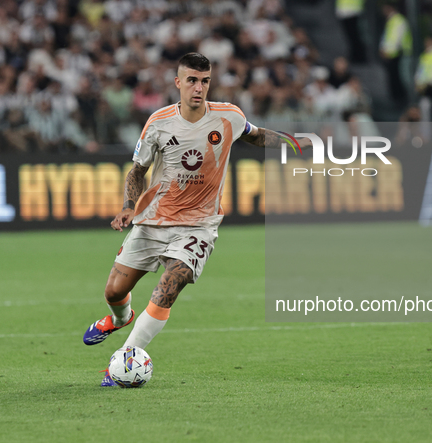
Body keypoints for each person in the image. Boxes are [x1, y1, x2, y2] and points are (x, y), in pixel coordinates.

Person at [82, 53, 309, 386]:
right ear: (178, 83)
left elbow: (257, 135)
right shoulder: (158, 123)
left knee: (173, 281)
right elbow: (137, 171)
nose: (198, 88)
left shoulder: (228, 116)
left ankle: (124, 359)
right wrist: (129, 205)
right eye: (191, 80)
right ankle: (121, 318)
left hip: (199, 225)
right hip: (154, 220)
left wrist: (293, 143)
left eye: (205, 81)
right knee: (114, 291)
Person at [379, 2, 412, 104]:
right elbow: (388, 37)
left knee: (402, 78)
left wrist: (388, 51)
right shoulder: (391, 20)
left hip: (400, 54)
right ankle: (397, 99)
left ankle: (403, 100)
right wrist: (383, 49)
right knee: (394, 78)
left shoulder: (398, 20)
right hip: (393, 54)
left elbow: (396, 39)